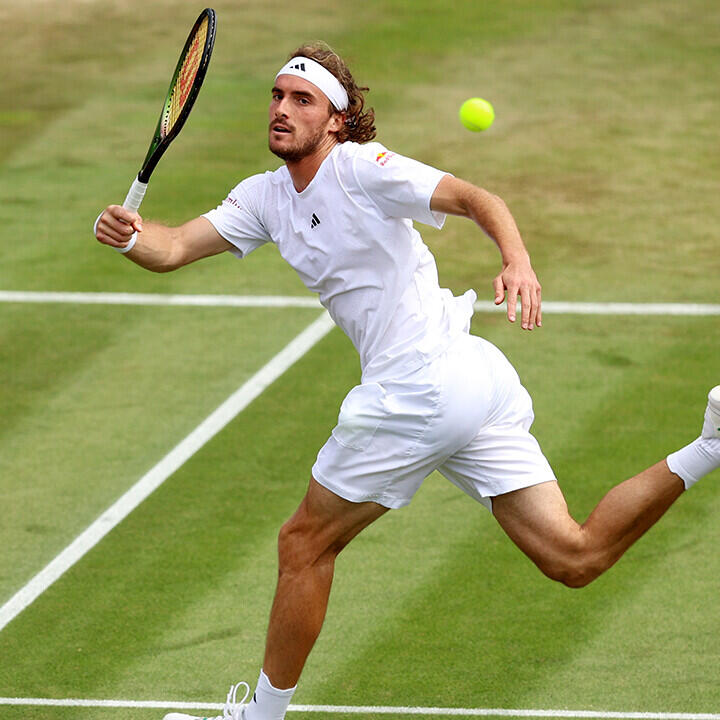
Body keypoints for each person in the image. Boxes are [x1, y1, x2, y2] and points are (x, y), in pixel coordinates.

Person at [94, 42, 720, 720]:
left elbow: (477, 197)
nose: (281, 109)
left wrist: (518, 262)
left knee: (304, 543)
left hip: (418, 387)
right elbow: (176, 246)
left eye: (301, 100)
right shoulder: (264, 197)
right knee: (573, 556)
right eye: (276, 97)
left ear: (337, 119)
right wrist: (131, 237)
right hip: (472, 380)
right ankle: (712, 445)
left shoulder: (363, 169)